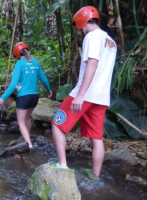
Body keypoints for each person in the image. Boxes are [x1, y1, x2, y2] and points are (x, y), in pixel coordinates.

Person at [51, 6, 117, 180]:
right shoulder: (110, 41)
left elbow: (92, 64)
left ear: (82, 21)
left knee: (57, 125)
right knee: (97, 138)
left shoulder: (91, 37)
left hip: (85, 94)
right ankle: (95, 175)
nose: (79, 30)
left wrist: (80, 94)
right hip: (101, 97)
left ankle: (63, 166)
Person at [0, 42, 52, 148]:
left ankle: (29, 145)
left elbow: (13, 84)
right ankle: (26, 138)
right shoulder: (36, 62)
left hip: (23, 97)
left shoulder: (19, 64)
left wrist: (3, 97)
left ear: (17, 54)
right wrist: (49, 90)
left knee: (21, 122)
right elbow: (44, 79)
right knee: (27, 117)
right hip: (34, 97)